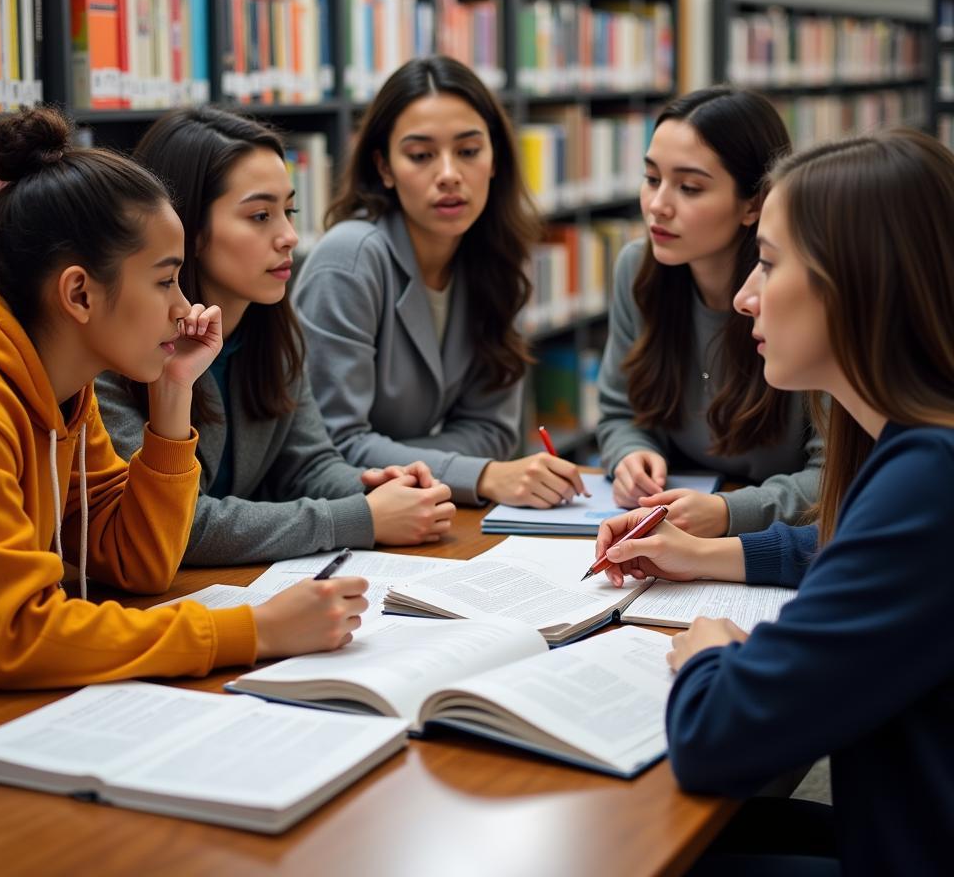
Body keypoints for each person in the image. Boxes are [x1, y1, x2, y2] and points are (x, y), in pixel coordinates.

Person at [596, 128, 954, 875]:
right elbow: (845, 552)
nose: (742, 296)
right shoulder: (920, 448)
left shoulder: (931, 479)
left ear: (858, 281)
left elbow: (714, 738)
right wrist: (703, 553)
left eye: (767, 262)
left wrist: (713, 658)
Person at [0, 107, 367, 690]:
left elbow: (138, 564)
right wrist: (251, 631)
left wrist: (171, 396)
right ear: (80, 293)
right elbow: (15, 637)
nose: (185, 309)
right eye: (165, 281)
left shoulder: (65, 385)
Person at [97, 106, 454, 563]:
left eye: (289, 210)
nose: (288, 236)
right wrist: (358, 517)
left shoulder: (273, 332)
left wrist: (381, 488)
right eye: (261, 216)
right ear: (186, 229)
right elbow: (178, 524)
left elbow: (307, 463)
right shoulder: (115, 357)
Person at [294, 55, 584, 507]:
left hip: (424, 507)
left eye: (468, 151)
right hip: (350, 516)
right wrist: (482, 475)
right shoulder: (348, 259)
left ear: (494, 161)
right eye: (421, 155)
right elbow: (333, 447)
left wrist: (409, 458)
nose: (449, 174)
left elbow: (494, 431)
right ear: (385, 167)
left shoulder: (495, 256)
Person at [596, 86, 822, 537]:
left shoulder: (807, 294)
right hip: (670, 527)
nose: (658, 205)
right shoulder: (637, 272)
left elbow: (837, 471)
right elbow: (619, 413)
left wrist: (727, 511)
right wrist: (630, 454)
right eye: (651, 178)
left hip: (770, 540)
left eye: (689, 187)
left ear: (753, 205)